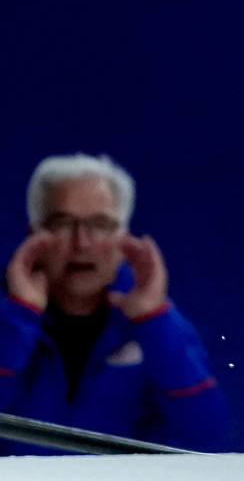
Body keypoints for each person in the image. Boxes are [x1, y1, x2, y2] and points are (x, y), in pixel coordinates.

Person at [0, 153, 229, 455]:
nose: (81, 242)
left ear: (123, 239)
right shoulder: (9, 316)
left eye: (100, 224)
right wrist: (18, 318)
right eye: (62, 222)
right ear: (35, 234)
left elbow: (205, 431)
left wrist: (153, 319)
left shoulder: (154, 323)